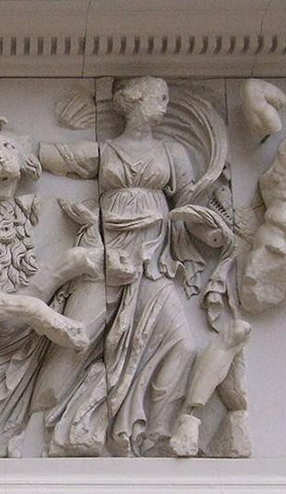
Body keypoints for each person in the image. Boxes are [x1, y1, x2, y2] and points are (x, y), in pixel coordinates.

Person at [40, 77, 217, 456]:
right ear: (135, 101)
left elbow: (189, 207)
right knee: (76, 342)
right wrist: (11, 146)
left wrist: (213, 229)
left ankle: (155, 433)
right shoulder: (106, 152)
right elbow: (55, 157)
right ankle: (54, 420)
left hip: (153, 263)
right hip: (108, 262)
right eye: (160, 98)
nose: (166, 106)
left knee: (183, 344)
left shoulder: (172, 153)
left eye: (168, 98)